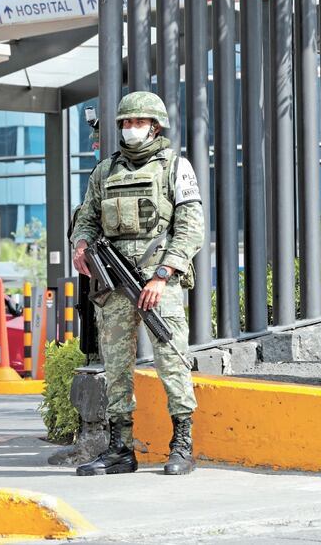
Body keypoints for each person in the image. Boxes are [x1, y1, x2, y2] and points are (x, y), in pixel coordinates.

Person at [70, 91, 204, 476]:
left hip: (157, 280)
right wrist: (80, 244)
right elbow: (87, 218)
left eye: (138, 123)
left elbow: (191, 228)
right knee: (115, 366)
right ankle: (120, 449)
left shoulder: (176, 167)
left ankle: (182, 444)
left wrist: (164, 274)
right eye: (126, 123)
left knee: (171, 359)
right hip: (113, 283)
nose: (131, 129)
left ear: (155, 126)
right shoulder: (105, 171)